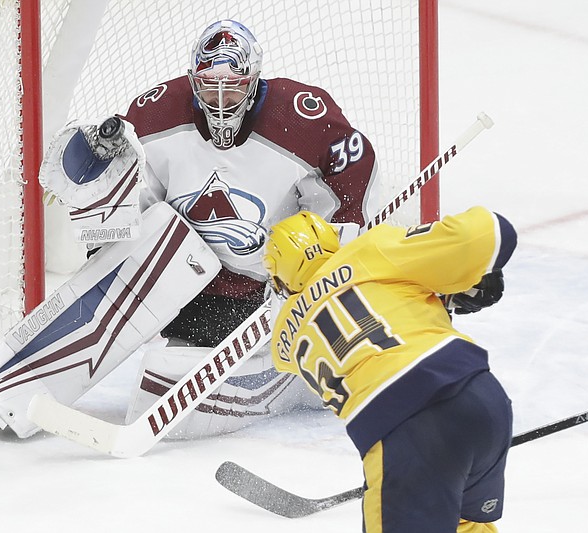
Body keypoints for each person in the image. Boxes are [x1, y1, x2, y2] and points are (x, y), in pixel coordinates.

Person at [112, 18, 387, 436]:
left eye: (234, 87)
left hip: (271, 291)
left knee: (308, 262)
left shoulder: (303, 118)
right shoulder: (156, 115)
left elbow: (353, 167)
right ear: (192, 81)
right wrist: (110, 242)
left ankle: (306, 354)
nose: (220, 100)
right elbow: (137, 198)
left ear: (254, 81)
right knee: (158, 243)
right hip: (190, 289)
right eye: (208, 85)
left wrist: (336, 254)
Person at [263, 207, 517, 532]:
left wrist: (438, 294)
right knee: (465, 526)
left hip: (409, 429)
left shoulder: (283, 342)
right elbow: (493, 231)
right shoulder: (370, 250)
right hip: (482, 397)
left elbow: (346, 316)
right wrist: (459, 282)